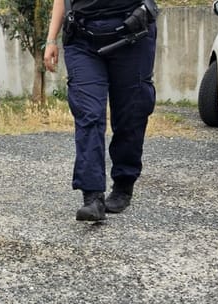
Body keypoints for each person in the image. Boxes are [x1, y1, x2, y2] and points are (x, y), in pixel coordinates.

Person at [43, 0, 157, 222]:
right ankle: (92, 196)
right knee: (88, 113)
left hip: (131, 29)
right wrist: (51, 39)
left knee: (131, 111)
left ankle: (124, 183)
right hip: (82, 35)